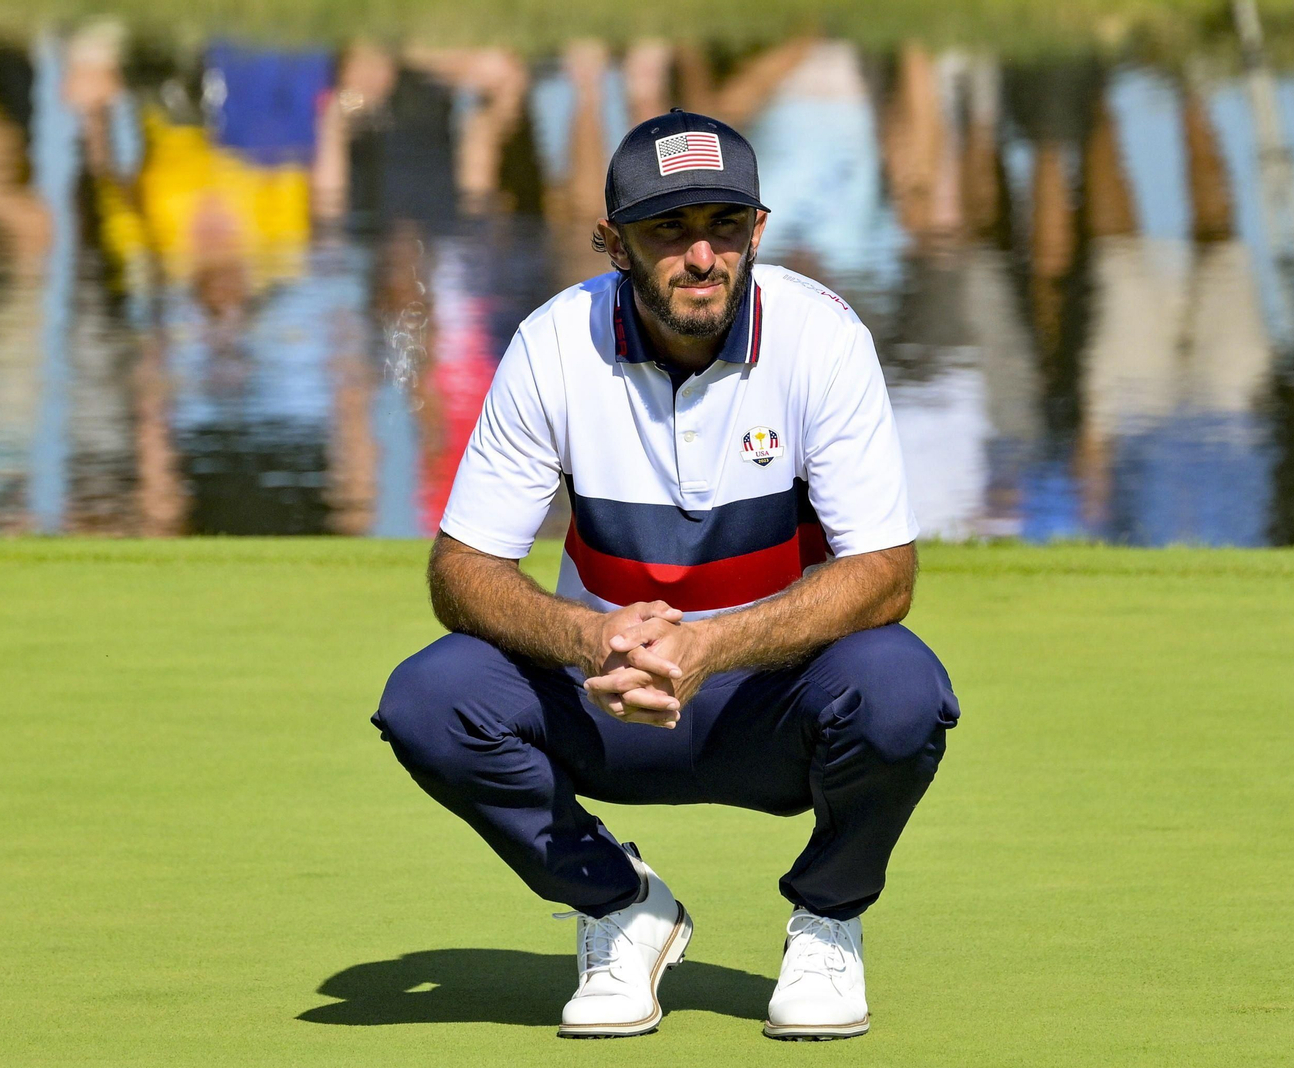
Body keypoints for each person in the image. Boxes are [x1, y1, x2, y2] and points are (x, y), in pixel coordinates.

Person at [371, 109, 959, 1040]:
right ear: (612, 243)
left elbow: (886, 574)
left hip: (770, 704)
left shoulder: (822, 336)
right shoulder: (552, 345)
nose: (701, 256)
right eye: (667, 230)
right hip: (604, 698)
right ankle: (619, 905)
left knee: (902, 687)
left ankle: (829, 921)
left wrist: (713, 646)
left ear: (757, 230)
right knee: (428, 700)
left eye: (725, 225)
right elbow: (462, 571)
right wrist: (588, 635)